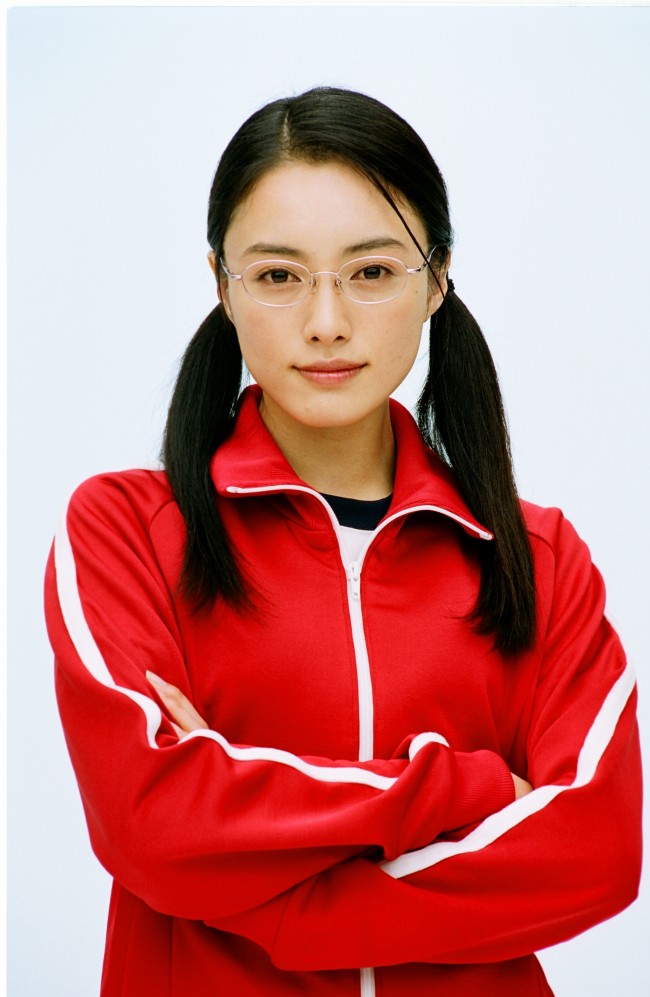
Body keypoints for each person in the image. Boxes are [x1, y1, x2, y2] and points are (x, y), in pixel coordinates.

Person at [44, 87, 642, 997]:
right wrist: (471, 789)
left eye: (371, 271)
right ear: (221, 284)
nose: (326, 321)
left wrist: (278, 900)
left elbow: (596, 850)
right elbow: (150, 820)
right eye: (278, 276)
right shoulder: (126, 529)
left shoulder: (538, 556)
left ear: (437, 278)